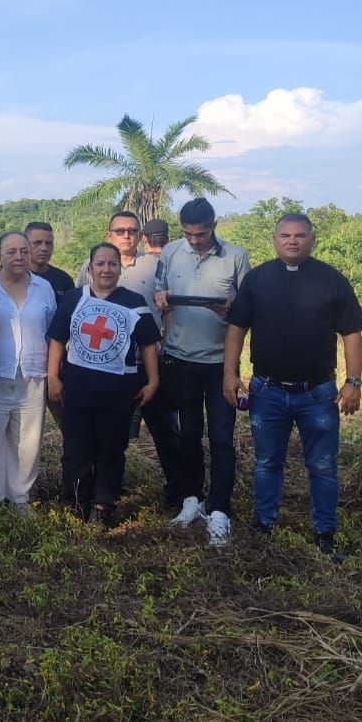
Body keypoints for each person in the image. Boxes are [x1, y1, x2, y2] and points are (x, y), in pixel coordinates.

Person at [223, 213, 362, 558]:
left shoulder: (331, 280)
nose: (292, 241)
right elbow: (236, 328)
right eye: (285, 235)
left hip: (317, 393)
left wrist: (353, 381)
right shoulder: (257, 279)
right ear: (274, 240)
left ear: (312, 239)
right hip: (267, 390)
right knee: (267, 461)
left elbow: (352, 333)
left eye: (300, 235)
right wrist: (230, 372)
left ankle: (325, 532)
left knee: (322, 465)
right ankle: (264, 524)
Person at [154, 198, 250, 547]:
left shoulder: (235, 257)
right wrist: (161, 299)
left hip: (221, 363)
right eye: (188, 234)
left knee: (222, 438)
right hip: (181, 359)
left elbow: (246, 312)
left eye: (202, 233)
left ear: (214, 225)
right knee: (189, 433)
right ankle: (191, 499)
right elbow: (158, 292)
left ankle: (220, 509)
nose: (195, 240)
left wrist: (228, 310)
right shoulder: (170, 253)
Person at [48, 242, 161, 527]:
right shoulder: (74, 298)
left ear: (119, 268)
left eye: (112, 264)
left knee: (111, 448)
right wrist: (53, 376)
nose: (106, 269)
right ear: (90, 267)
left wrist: (153, 381)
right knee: (76, 447)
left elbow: (149, 345)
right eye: (100, 263)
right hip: (77, 388)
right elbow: (57, 339)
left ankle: (102, 504)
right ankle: (76, 501)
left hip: (119, 391)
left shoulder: (134, 301)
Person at [79, 210, 181, 502]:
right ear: (108, 234)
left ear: (141, 236)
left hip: (149, 364)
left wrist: (164, 346)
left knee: (166, 432)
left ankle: (178, 490)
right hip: (107, 369)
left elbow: (169, 308)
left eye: (132, 231)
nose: (126, 236)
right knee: (111, 435)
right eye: (120, 231)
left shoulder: (156, 265)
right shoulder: (89, 266)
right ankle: (108, 490)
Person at [0, 231, 56, 510]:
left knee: (27, 442)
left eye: (24, 251)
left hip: (32, 374)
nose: (19, 257)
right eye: (11, 252)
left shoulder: (44, 288)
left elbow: (50, 328)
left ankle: (19, 496)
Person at [25, 221, 74, 304]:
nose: (44, 248)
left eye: (48, 244)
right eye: (38, 243)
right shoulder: (15, 278)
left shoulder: (64, 280)